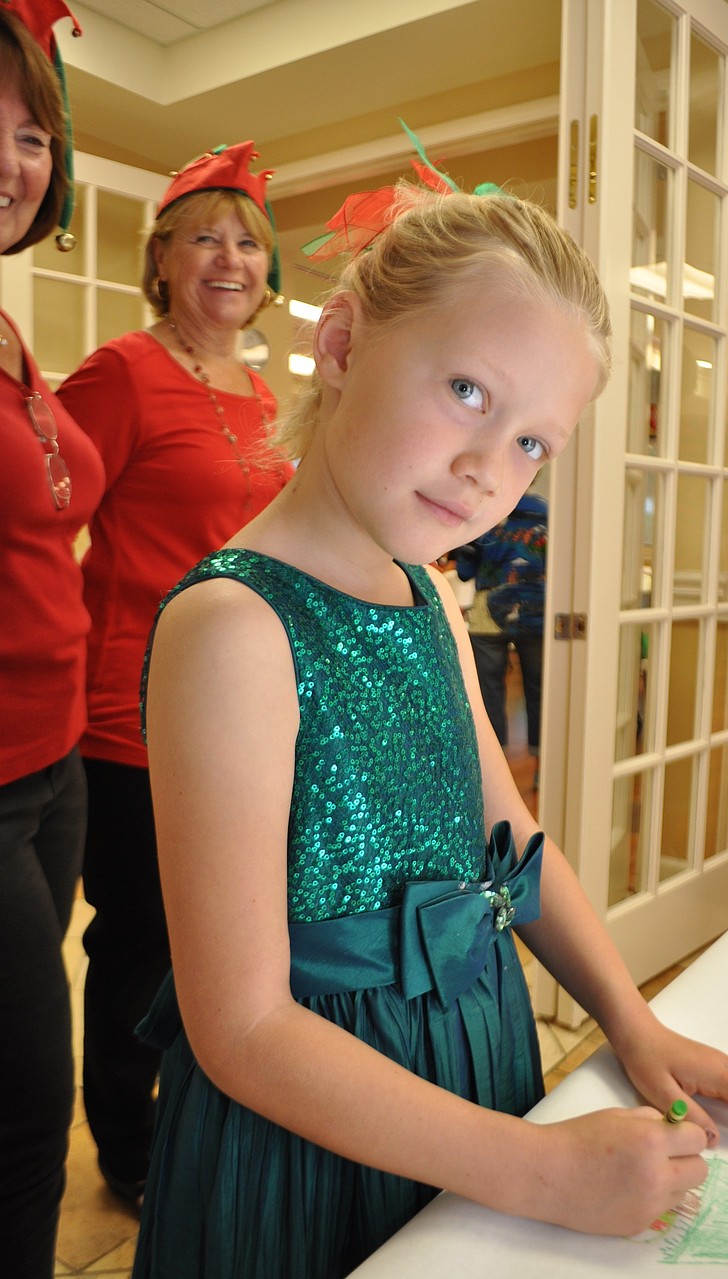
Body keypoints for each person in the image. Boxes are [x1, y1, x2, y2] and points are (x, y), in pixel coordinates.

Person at [132, 151, 728, 1279]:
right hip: (317, 1137)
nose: (486, 469)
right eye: (466, 393)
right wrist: (540, 1171)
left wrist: (635, 1024)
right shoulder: (235, 628)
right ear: (341, 345)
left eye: (532, 441)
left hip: (471, 1068)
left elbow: (518, 851)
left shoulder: (428, 595)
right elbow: (242, 1028)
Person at [56, 141, 294, 1210]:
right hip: (132, 716)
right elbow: (47, 518)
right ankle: (130, 1146)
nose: (229, 258)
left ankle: (208, 1109)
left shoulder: (263, 387)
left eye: (248, 240)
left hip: (245, 712)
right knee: (141, 945)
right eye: (205, 236)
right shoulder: (121, 371)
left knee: (232, 933)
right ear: (161, 259)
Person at [0, 4, 105, 1276]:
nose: (15, 160)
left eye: (33, 133)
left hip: (55, 758)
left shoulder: (16, 334)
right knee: (30, 1107)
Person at [455, 489, 548, 768]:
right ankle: (541, 764)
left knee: (489, 691)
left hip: (487, 614)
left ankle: (494, 766)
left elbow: (464, 570)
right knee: (540, 689)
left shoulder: (482, 508)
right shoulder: (547, 512)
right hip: (539, 610)